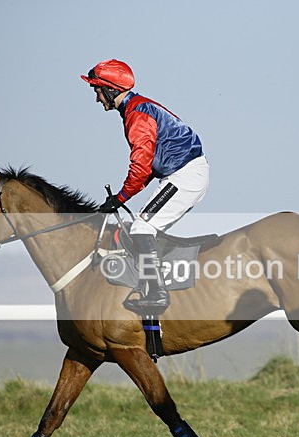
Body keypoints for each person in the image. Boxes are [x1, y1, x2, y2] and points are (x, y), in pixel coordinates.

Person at [81, 59, 209, 313]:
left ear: (110, 89)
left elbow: (141, 167)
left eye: (97, 90)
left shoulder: (136, 114)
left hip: (184, 176)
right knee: (143, 226)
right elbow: (148, 165)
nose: (97, 98)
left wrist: (120, 198)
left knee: (141, 228)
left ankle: (158, 293)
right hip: (182, 173)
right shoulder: (138, 107)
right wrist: (122, 196)